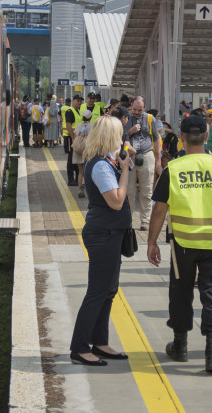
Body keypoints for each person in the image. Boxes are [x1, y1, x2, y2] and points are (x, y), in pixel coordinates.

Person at [147, 114, 212, 373]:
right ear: (206, 137)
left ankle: (180, 345)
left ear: (181, 138)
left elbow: (159, 209)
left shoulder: (174, 169)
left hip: (184, 242)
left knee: (181, 292)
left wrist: (152, 242)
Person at [69, 116, 131, 366]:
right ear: (111, 136)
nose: (123, 136)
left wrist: (121, 162)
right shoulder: (101, 166)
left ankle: (100, 342)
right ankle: (80, 348)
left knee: (108, 291)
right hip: (103, 233)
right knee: (97, 292)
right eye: (120, 132)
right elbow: (116, 201)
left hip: (110, 233)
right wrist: (125, 170)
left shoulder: (106, 161)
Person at [125, 96, 162, 230]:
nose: (136, 112)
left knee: (146, 190)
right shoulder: (127, 118)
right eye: (134, 109)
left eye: (139, 110)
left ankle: (145, 220)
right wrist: (131, 131)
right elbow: (123, 136)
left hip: (146, 154)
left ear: (144, 108)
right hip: (131, 156)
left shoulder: (150, 119)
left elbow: (156, 139)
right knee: (129, 190)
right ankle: (127, 220)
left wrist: (158, 158)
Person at [64, 95, 84, 186]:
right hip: (70, 137)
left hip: (77, 138)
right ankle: (70, 179)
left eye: (80, 101)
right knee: (71, 158)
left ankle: (76, 179)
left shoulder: (78, 111)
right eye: (77, 101)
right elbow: (68, 125)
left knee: (76, 158)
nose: (79, 103)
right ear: (73, 101)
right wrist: (73, 138)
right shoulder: (70, 111)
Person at [72, 110, 93, 198]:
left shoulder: (78, 126)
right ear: (90, 117)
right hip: (87, 149)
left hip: (78, 150)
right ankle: (85, 184)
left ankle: (80, 188)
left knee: (80, 171)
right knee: (87, 170)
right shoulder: (92, 126)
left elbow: (75, 137)